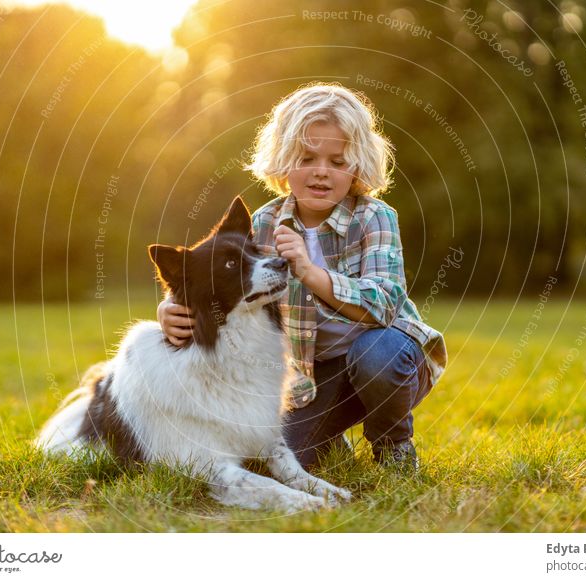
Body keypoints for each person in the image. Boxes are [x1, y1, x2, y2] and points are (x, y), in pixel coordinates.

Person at [158, 83, 447, 470]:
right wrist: (169, 309)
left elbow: (383, 303)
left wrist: (311, 272)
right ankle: (330, 434)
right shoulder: (262, 223)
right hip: (312, 375)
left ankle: (392, 442)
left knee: (377, 356)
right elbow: (206, 275)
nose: (321, 172)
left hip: (389, 355)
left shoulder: (374, 217)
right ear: (283, 161)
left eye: (338, 161)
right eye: (307, 157)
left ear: (357, 166)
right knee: (286, 458)